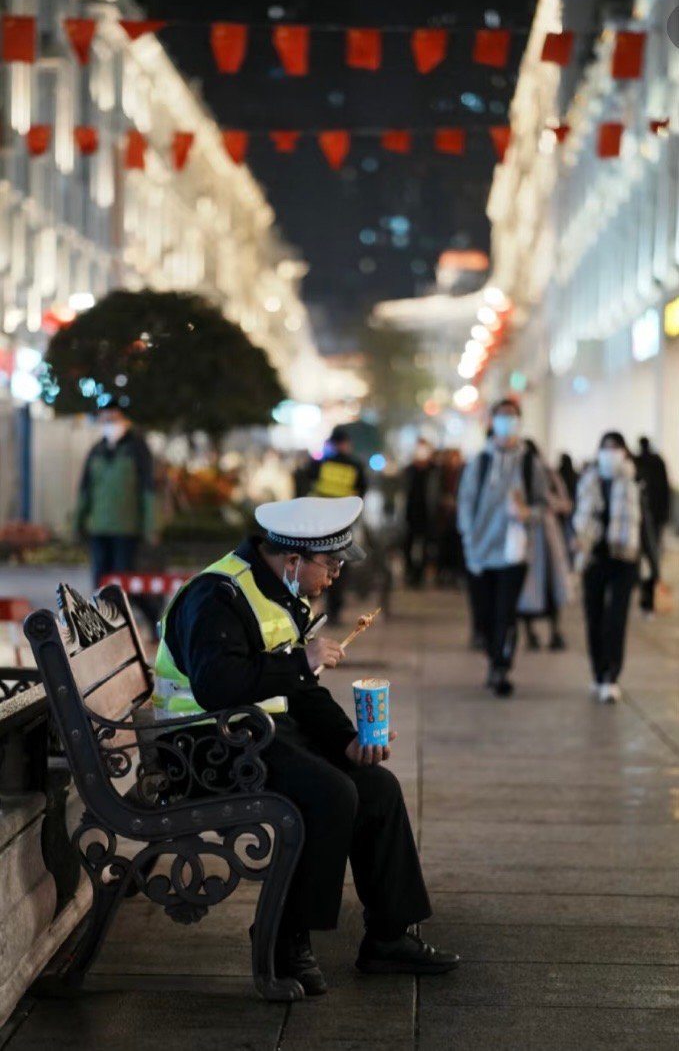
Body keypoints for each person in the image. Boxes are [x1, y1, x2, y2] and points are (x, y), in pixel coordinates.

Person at [153, 495, 459, 996]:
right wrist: (302, 661)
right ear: (292, 560)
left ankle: (388, 935)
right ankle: (283, 939)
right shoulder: (219, 595)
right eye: (331, 564)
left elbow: (301, 691)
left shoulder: (279, 591)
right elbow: (216, 685)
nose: (336, 575)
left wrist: (347, 743)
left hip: (252, 733)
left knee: (375, 785)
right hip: (201, 745)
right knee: (330, 794)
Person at [457, 399, 547, 697]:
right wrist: (469, 544)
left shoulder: (529, 463)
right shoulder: (479, 462)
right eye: (502, 416)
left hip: (514, 553)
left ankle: (501, 667)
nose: (508, 421)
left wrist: (526, 514)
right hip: (480, 553)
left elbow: (542, 506)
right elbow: (466, 504)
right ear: (492, 421)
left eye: (513, 416)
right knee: (483, 617)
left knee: (505, 614)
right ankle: (493, 655)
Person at [573, 431, 658, 702]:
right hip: (594, 558)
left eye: (615, 448)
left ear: (625, 451)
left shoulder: (636, 480)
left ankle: (611, 676)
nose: (610, 453)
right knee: (594, 618)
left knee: (616, 619)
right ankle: (597, 672)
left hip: (625, 558)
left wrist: (652, 568)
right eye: (605, 448)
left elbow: (646, 525)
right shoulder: (587, 480)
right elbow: (577, 519)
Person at [75, 397, 156, 608]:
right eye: (105, 418)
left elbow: (148, 489)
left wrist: (151, 526)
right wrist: (77, 523)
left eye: (114, 417)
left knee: (125, 581)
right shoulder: (97, 450)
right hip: (99, 527)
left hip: (127, 528)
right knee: (100, 582)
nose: (109, 423)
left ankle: (147, 619)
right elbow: (85, 490)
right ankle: (104, 627)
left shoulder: (137, 448)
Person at [305, 427, 367, 624]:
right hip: (342, 523)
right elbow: (361, 494)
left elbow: (306, 485)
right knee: (338, 565)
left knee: (314, 560)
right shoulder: (355, 465)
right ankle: (334, 611)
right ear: (347, 443)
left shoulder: (321, 463)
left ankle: (309, 605)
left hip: (318, 522)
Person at [518, 440, 572, 651]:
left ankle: (554, 632)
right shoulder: (515, 473)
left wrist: (546, 504)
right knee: (527, 588)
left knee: (550, 586)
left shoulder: (548, 474)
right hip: (526, 537)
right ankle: (531, 633)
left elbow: (564, 502)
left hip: (547, 538)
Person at [635, 437, 671, 611]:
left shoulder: (640, 462)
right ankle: (648, 591)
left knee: (648, 555)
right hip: (652, 517)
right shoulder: (655, 462)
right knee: (651, 554)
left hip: (647, 518)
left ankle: (648, 593)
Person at [402, 438, 438, 588]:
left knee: (425, 547)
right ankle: (410, 573)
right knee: (407, 546)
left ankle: (420, 575)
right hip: (410, 515)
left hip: (427, 515)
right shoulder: (409, 470)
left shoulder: (434, 470)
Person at [435, 448, 465, 586]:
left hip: (459, 518)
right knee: (443, 547)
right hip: (444, 518)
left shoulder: (464, 473)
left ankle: (456, 574)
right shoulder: (441, 473)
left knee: (457, 547)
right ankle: (443, 573)